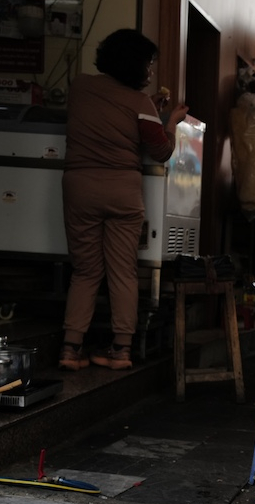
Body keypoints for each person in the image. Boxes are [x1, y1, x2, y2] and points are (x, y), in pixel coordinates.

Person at [60, 29, 188, 372]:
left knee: (85, 271)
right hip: (122, 192)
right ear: (134, 64)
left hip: (80, 188)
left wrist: (149, 109)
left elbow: (109, 114)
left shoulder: (80, 87)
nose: (149, 72)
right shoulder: (140, 103)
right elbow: (160, 151)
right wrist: (171, 123)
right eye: (147, 64)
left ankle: (71, 350)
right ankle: (120, 350)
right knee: (122, 273)